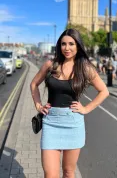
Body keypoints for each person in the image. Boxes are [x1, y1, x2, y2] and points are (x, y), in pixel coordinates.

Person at [30, 29, 109, 178]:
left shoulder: (84, 68)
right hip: (51, 122)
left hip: (73, 123)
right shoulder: (50, 64)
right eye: (63, 44)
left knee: (68, 172)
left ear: (78, 46)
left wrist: (86, 108)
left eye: (71, 44)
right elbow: (34, 84)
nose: (67, 48)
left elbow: (104, 91)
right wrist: (38, 105)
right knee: (50, 174)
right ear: (59, 46)